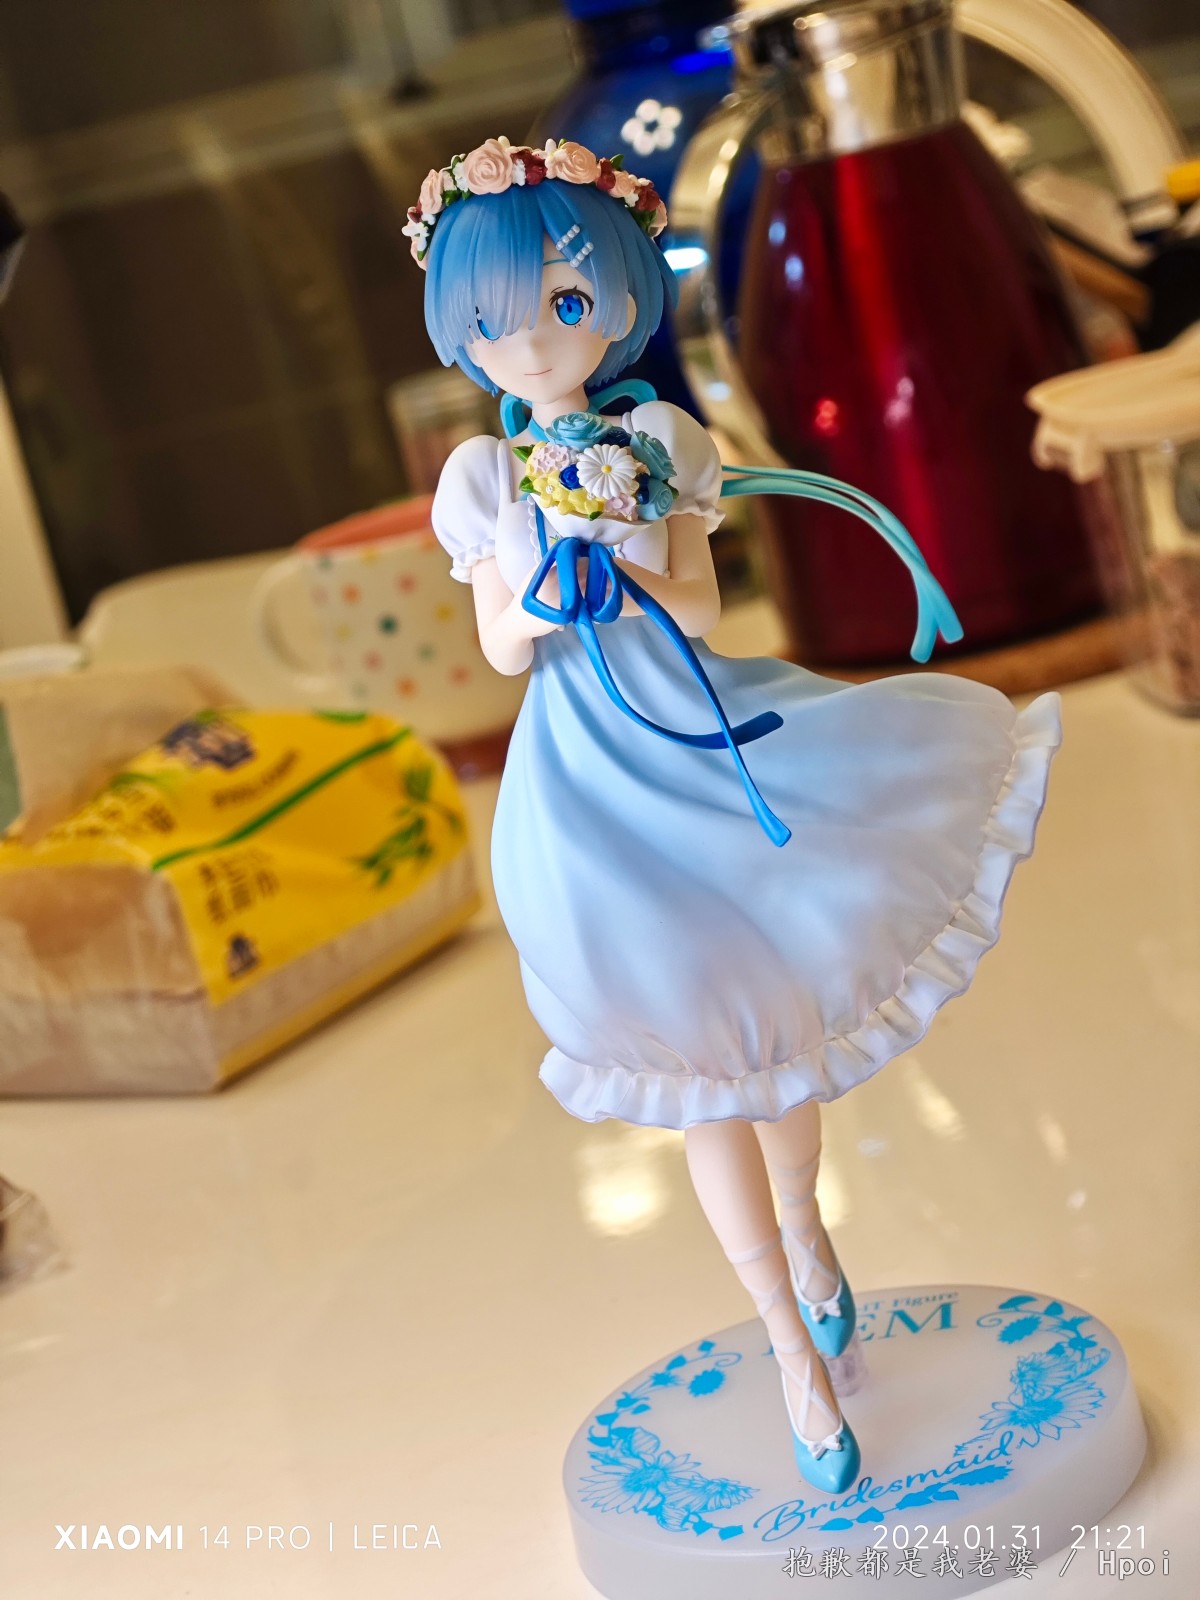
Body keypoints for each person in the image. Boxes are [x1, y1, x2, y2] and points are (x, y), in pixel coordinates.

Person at [416, 136, 1062, 1493]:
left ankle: (809, 1237)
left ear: (621, 300)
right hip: (586, 791)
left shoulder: (660, 439)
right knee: (691, 1060)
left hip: (703, 741)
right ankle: (787, 1349)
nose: (532, 343)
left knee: (772, 1031)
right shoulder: (482, 477)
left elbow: (705, 608)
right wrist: (548, 579)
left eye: (566, 304)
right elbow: (499, 649)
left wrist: (634, 557)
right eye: (494, 319)